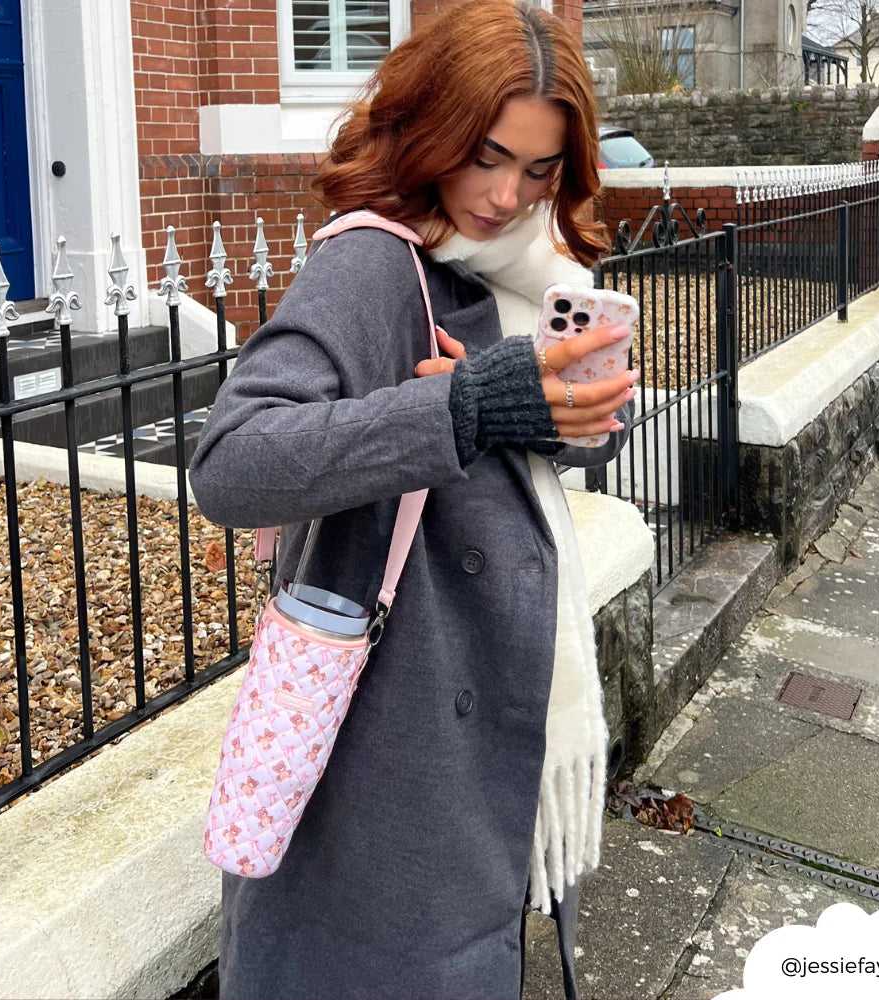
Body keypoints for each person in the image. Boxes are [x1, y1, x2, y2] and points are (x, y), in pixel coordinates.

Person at [188, 2, 640, 997]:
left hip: (476, 706)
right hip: (399, 728)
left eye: (539, 169)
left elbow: (540, 441)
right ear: (432, 125)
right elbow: (231, 463)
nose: (505, 195)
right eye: (485, 156)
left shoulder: (522, 268)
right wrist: (473, 404)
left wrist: (545, 415)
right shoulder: (371, 262)